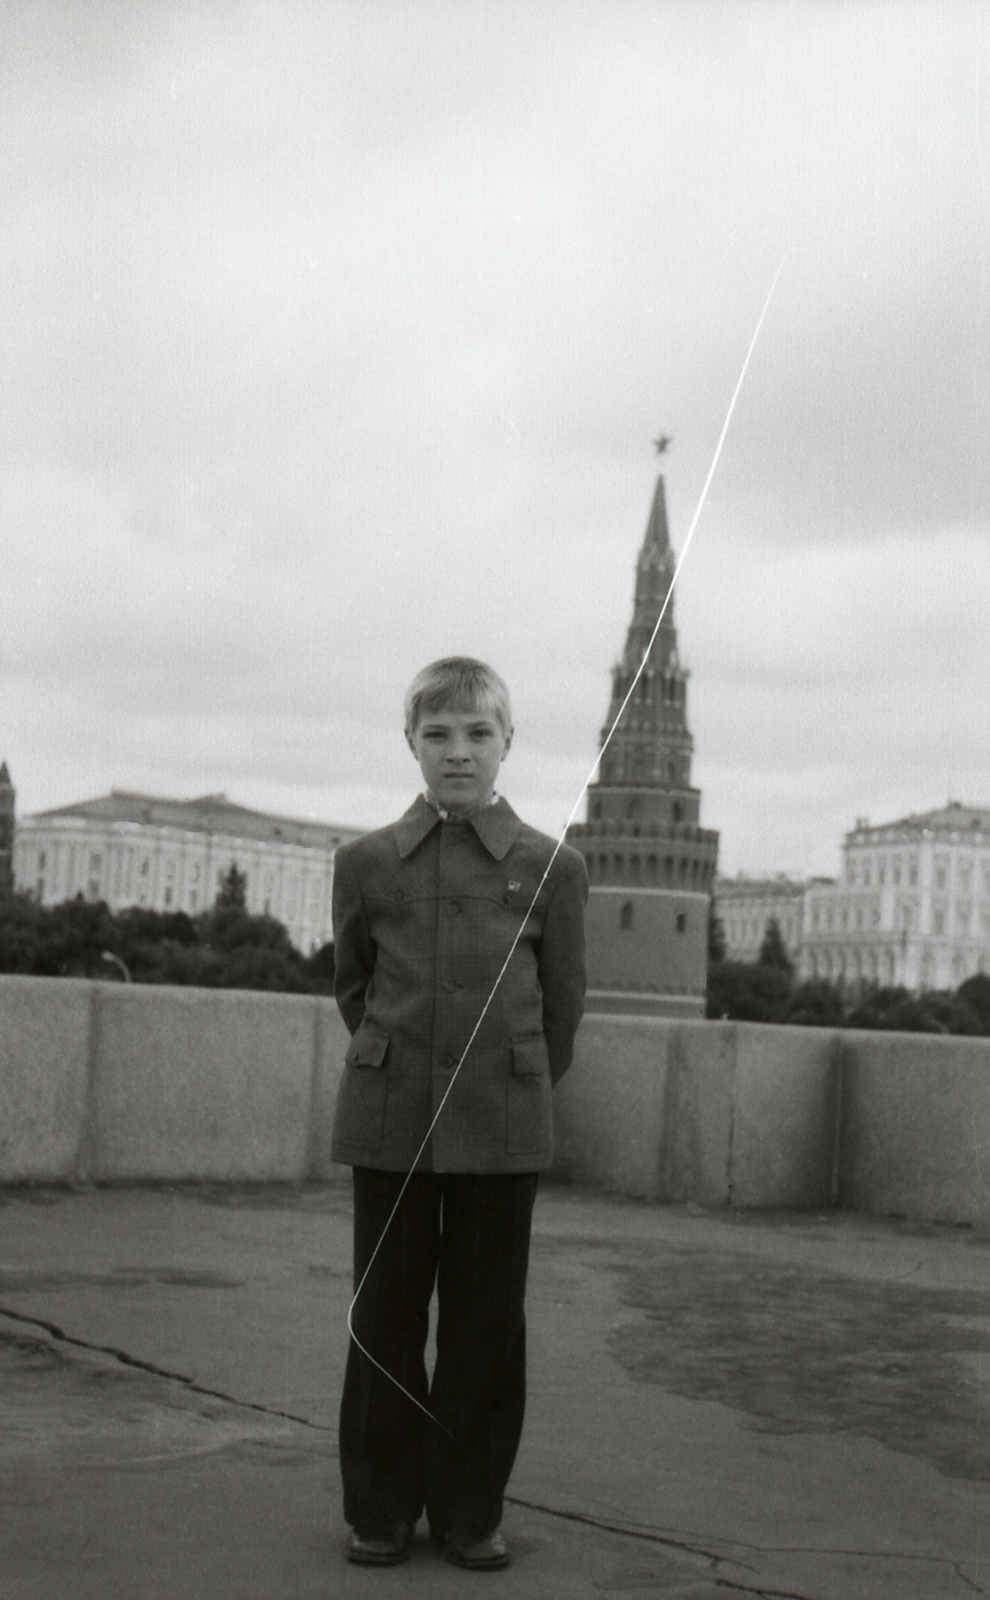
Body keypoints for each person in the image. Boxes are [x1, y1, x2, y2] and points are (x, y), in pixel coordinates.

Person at [331, 656, 588, 1570]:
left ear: (507, 743)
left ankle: (472, 1512)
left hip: (502, 1126)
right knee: (386, 1316)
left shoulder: (553, 867)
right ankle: (381, 1510)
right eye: (436, 735)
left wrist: (500, 1085)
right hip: (391, 1122)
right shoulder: (362, 863)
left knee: (487, 1323)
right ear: (411, 744)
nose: (458, 753)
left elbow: (561, 1013)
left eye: (478, 734)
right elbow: (354, 988)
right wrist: (412, 1072)